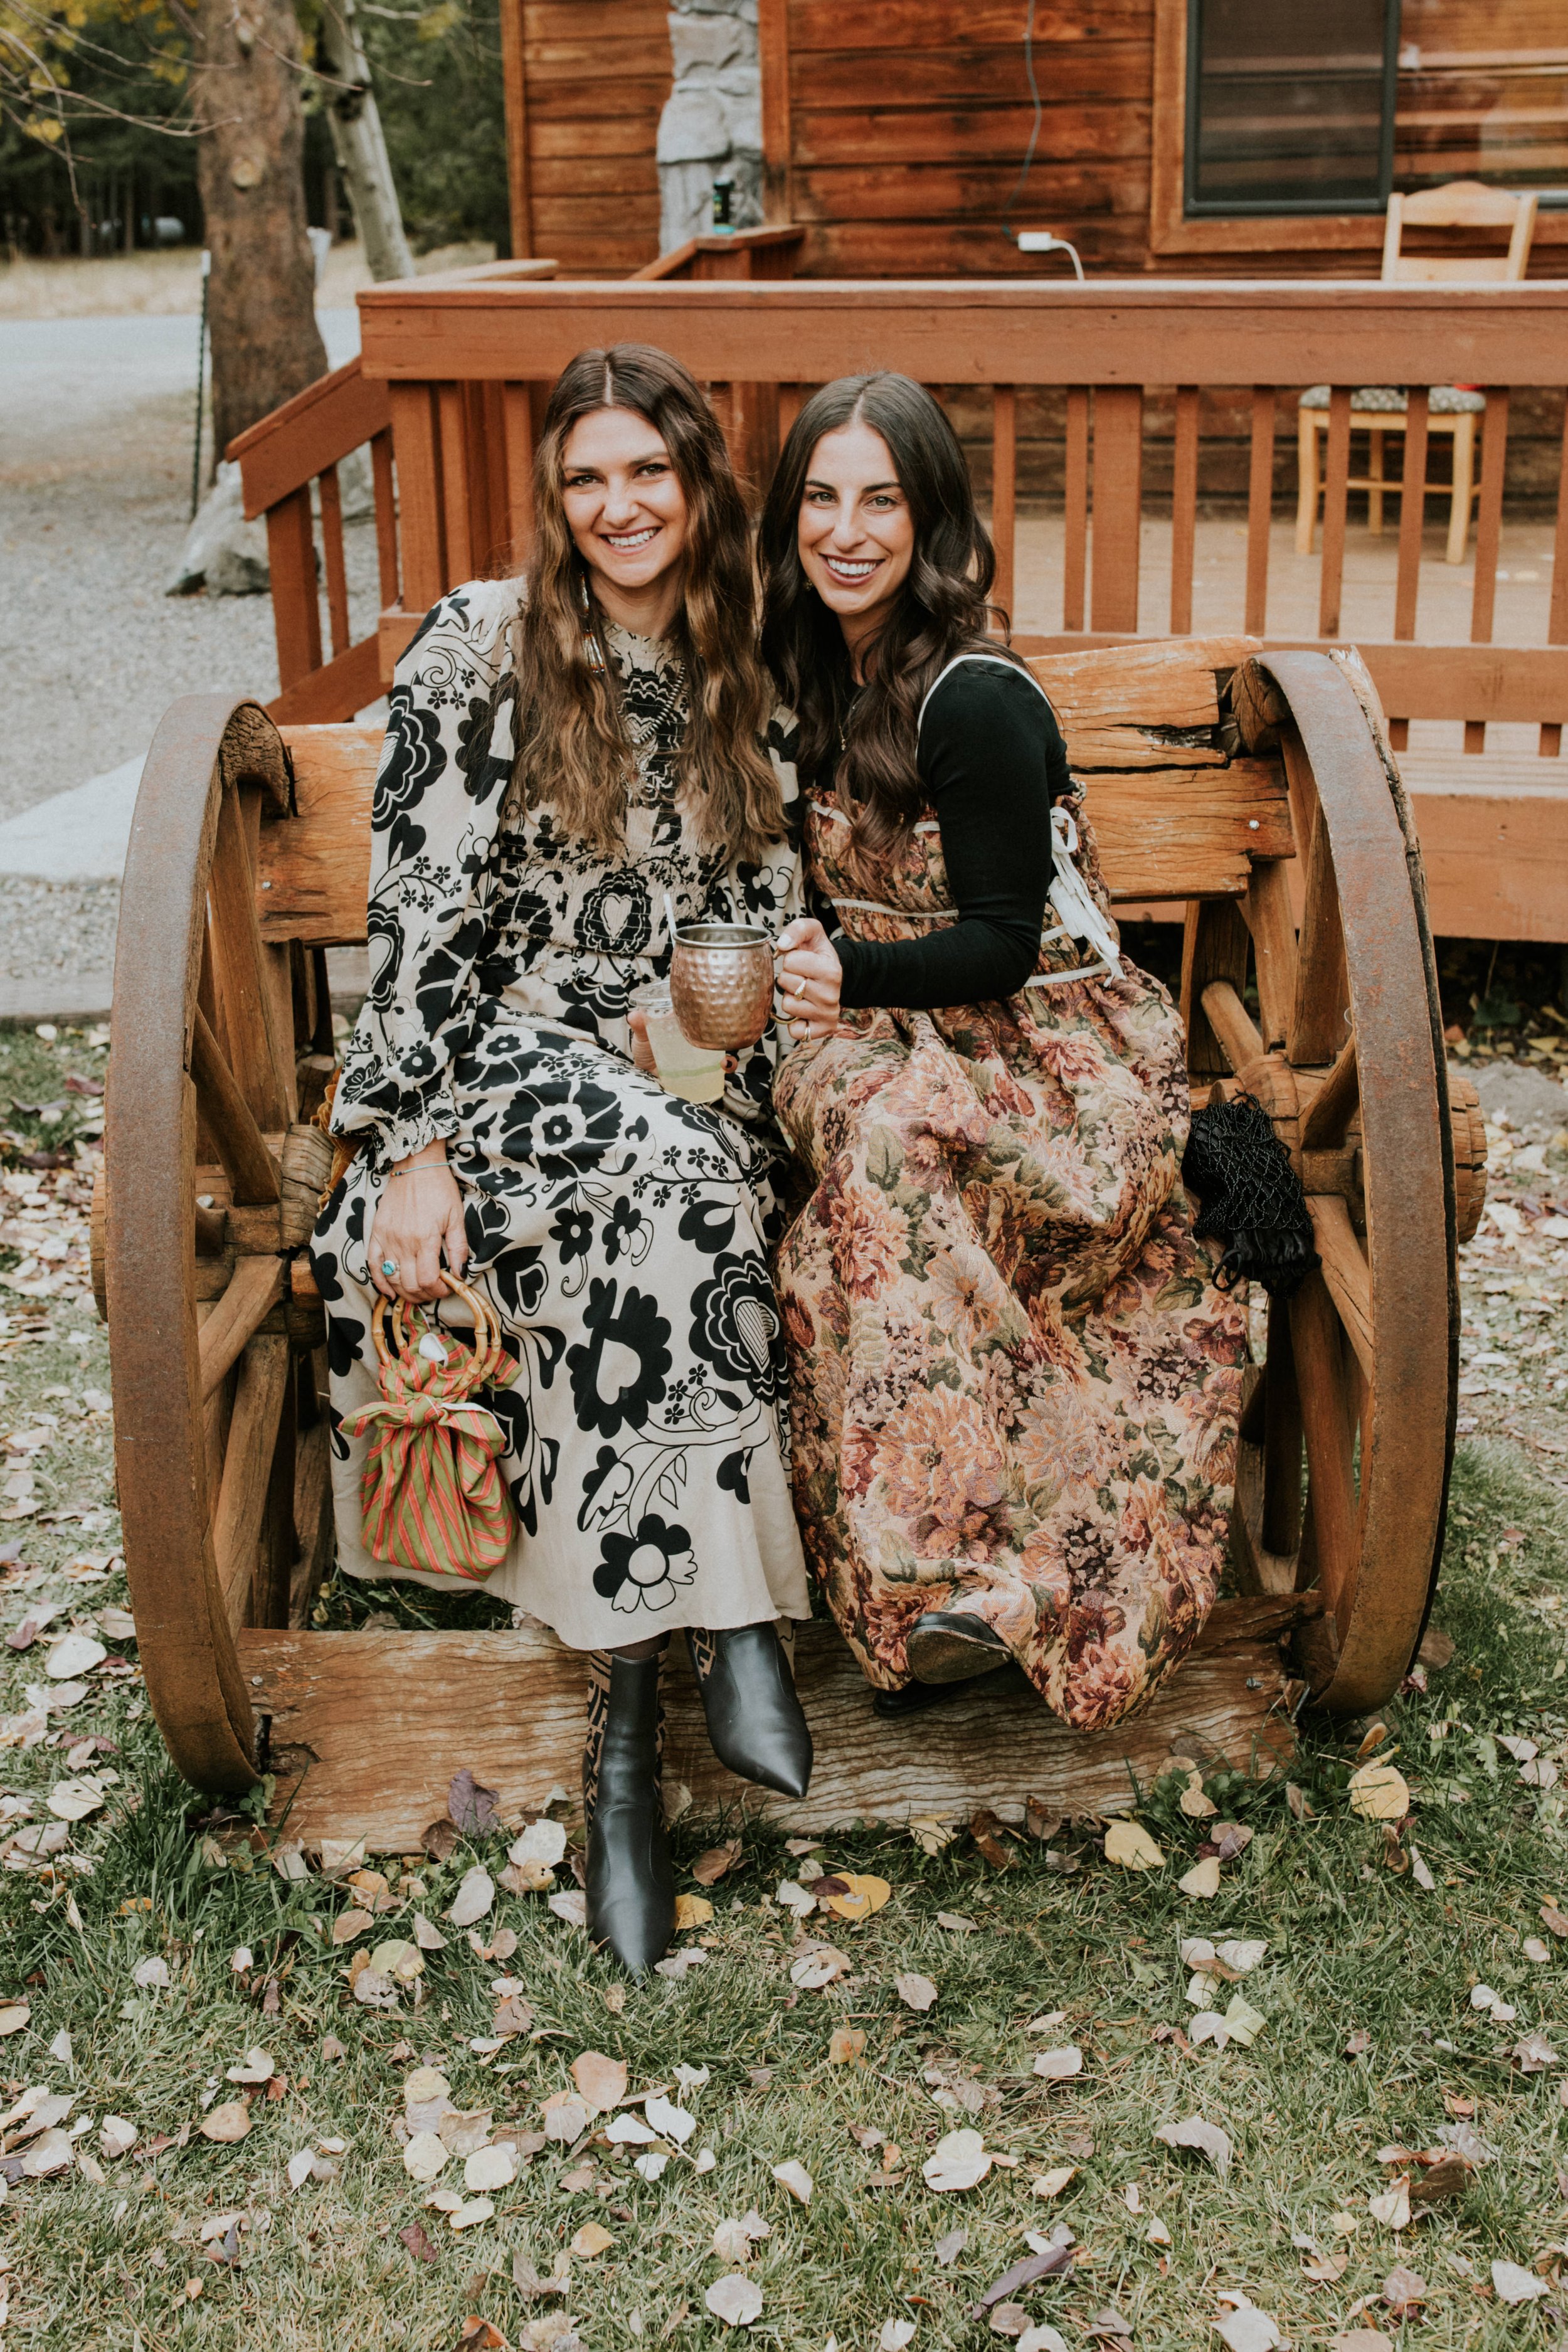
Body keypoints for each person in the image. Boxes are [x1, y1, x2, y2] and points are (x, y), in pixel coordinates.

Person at [312, 344, 813, 1973]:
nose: (617, 507)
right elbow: (420, 914)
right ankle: (736, 1622)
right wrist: (411, 1140)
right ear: (555, 493)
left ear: (695, 477)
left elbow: (772, 888)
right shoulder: (483, 643)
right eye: (586, 477)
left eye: (647, 472)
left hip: (692, 1054)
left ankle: (623, 1762)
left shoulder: (748, 648)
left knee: (675, 1208)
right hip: (509, 1050)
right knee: (682, 1188)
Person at [759, 371, 1247, 1729]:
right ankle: (930, 1594)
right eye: (820, 498)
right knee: (855, 1143)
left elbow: (998, 945)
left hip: (1044, 1052)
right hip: (881, 1034)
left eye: (881, 502)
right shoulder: (809, 671)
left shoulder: (969, 697)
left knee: (880, 1148)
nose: (846, 531)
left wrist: (842, 970)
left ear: (929, 522)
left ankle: (963, 1575)